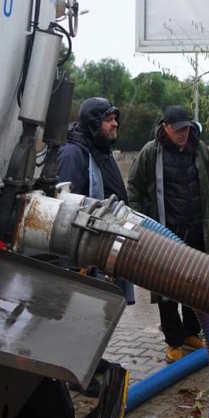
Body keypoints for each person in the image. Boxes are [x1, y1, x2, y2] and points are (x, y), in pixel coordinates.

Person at [127, 105, 209, 363]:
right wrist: (140, 223)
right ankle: (173, 340)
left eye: (187, 128)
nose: (184, 133)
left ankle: (191, 332)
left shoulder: (200, 149)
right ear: (166, 128)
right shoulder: (151, 152)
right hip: (165, 231)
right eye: (179, 129)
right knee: (167, 287)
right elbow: (135, 189)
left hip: (198, 229)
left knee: (197, 285)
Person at [57, 96, 135, 304]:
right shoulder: (73, 155)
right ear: (93, 123)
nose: (115, 123)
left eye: (115, 118)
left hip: (105, 253)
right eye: (109, 119)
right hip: (82, 261)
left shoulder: (102, 153)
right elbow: (64, 211)